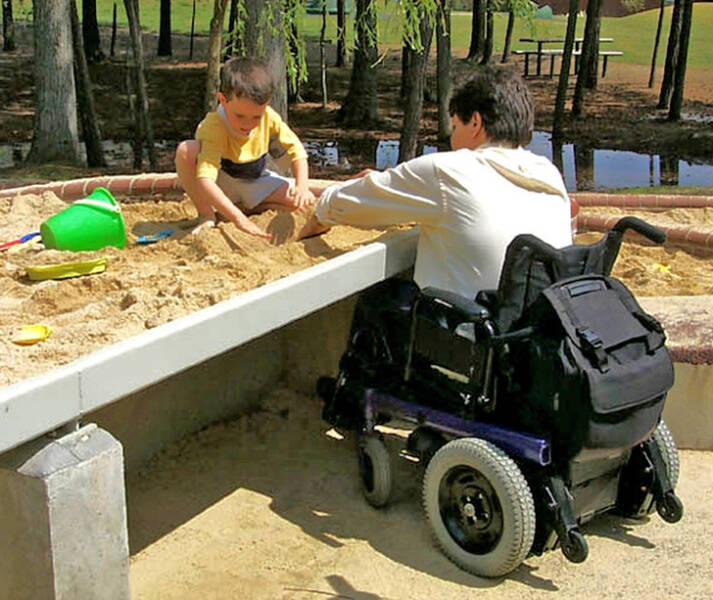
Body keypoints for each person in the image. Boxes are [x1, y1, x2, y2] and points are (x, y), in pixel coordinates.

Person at [298, 65, 573, 299]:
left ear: (475, 123)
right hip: (534, 329)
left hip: (473, 332)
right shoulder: (548, 172)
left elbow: (346, 203)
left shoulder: (449, 171)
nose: (452, 140)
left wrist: (316, 220)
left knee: (377, 298)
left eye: (455, 127)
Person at [176, 57, 315, 239]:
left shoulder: (270, 118)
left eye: (256, 117)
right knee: (186, 150)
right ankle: (207, 215)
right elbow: (206, 179)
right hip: (221, 181)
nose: (247, 124)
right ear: (223, 100)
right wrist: (238, 219)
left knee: (304, 204)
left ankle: (249, 206)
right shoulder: (214, 126)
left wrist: (302, 186)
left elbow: (297, 153)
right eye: (239, 115)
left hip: (255, 180)